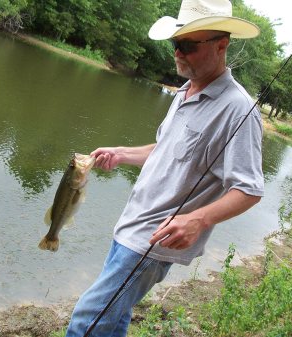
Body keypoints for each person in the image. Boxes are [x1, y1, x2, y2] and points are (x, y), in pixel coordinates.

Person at [65, 0, 264, 336]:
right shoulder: (186, 90)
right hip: (130, 224)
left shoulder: (238, 110)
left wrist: (199, 220)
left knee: (87, 321)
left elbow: (249, 189)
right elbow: (167, 149)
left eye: (188, 45)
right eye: (175, 43)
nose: (177, 53)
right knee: (114, 318)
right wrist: (122, 153)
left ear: (221, 45)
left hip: (153, 241)